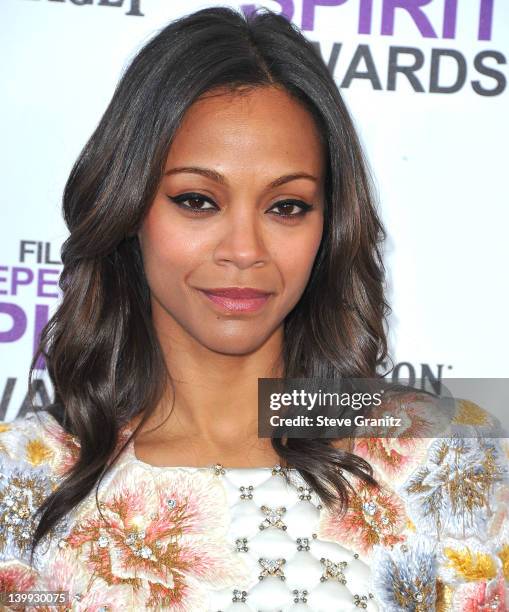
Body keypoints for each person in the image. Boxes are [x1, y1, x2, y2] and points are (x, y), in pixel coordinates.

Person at [1, 6, 508, 611]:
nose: (244, 251)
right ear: (128, 210)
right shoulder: (22, 480)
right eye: (197, 200)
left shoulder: (449, 457)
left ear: (331, 226)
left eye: (286, 207)